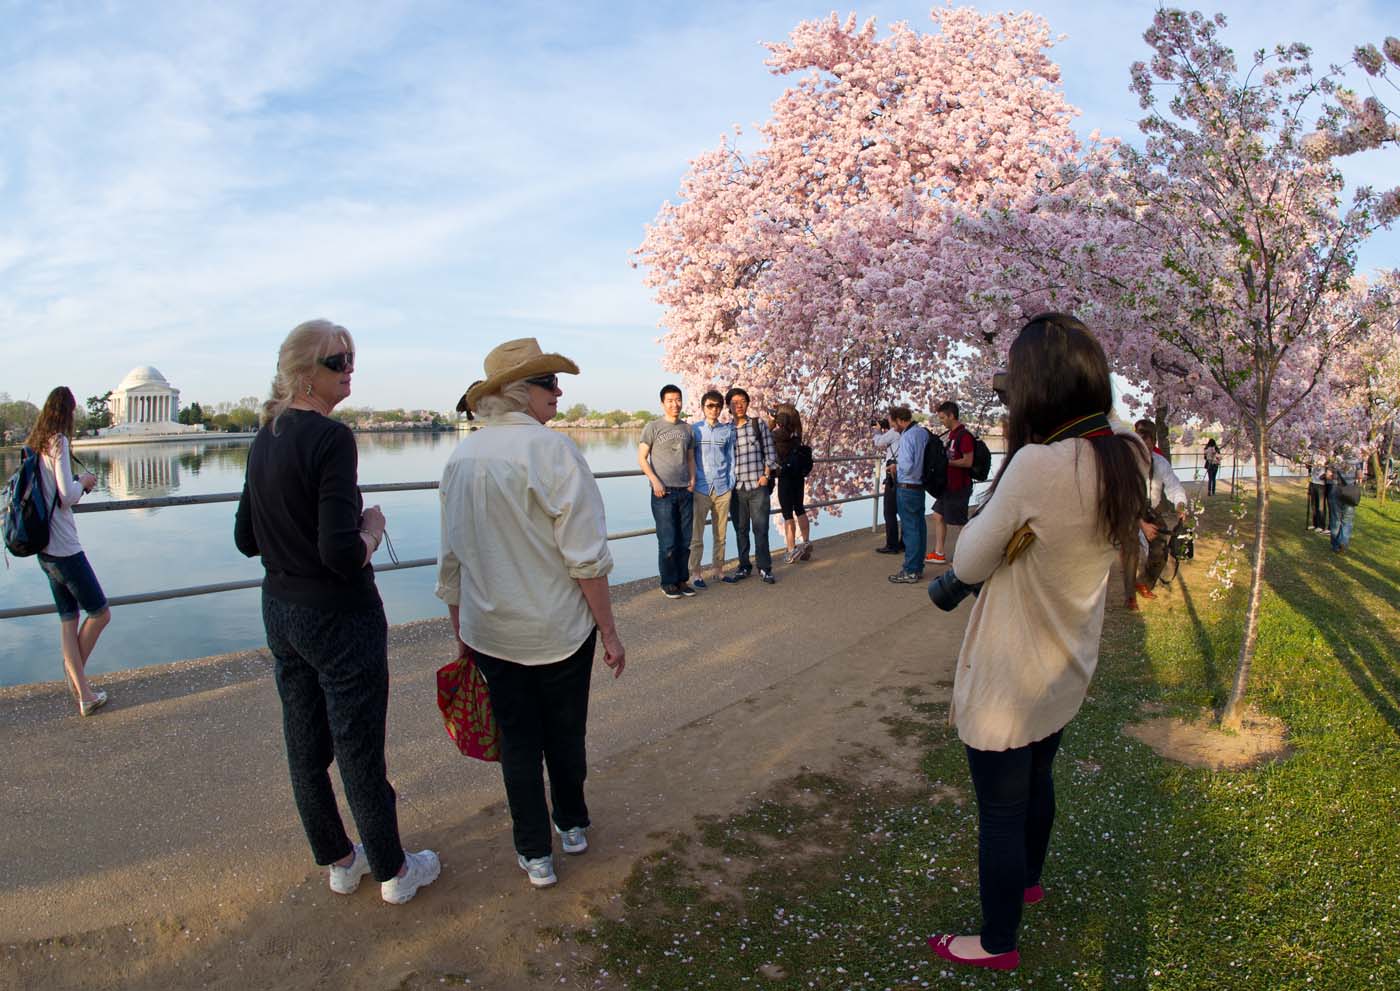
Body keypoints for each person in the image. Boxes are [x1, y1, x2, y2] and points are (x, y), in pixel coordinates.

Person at [928, 313, 1146, 972]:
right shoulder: (1122, 454)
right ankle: (1028, 880)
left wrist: (1019, 451)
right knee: (1039, 775)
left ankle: (997, 940)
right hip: (1065, 663)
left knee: (1000, 806)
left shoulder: (1040, 466)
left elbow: (967, 561)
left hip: (1010, 674)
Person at [235, 319, 439, 905]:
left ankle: (339, 860)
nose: (349, 368)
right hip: (340, 617)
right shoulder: (331, 439)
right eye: (336, 361)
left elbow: (247, 538)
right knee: (357, 748)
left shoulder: (265, 437)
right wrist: (371, 531)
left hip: (282, 610)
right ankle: (395, 871)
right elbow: (340, 553)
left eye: (351, 358)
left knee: (305, 747)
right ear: (303, 375)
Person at [437, 338, 625, 889]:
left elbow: (452, 559)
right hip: (558, 628)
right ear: (520, 394)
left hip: (490, 629)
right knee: (565, 733)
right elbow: (586, 557)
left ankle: (533, 851)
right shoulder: (552, 451)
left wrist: (460, 631)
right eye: (549, 383)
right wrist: (610, 632)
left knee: (517, 743)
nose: (559, 391)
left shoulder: (460, 458)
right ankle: (570, 823)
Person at [26, 387, 111, 717]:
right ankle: (80, 686)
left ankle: (81, 687)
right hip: (64, 548)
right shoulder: (58, 440)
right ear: (68, 412)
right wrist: (85, 482)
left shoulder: (36, 444)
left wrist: (74, 481)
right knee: (101, 613)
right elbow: (66, 496)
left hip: (45, 549)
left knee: (68, 619)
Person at [1121, 419, 1187, 610]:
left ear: (1154, 442)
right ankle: (1129, 596)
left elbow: (1174, 486)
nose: (1146, 446)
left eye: (1149, 441)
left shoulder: (1161, 463)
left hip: (1150, 510)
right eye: (1141, 440)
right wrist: (1141, 525)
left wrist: (1180, 505)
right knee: (1132, 550)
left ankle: (1144, 583)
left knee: (1160, 550)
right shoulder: (1128, 464)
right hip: (1130, 511)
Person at [638, 384, 696, 599]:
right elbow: (642, 458)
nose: (675, 404)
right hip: (663, 493)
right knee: (668, 541)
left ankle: (682, 580)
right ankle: (668, 582)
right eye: (670, 400)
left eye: (678, 399)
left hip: (685, 492)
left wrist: (692, 480)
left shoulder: (687, 429)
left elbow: (690, 458)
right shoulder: (652, 427)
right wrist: (655, 482)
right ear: (662, 403)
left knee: (685, 540)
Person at [722, 387, 779, 585]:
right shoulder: (726, 430)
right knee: (741, 529)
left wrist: (766, 475)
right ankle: (744, 566)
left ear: (747, 403)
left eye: (742, 401)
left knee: (761, 528)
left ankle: (764, 567)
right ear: (728, 406)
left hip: (757, 485)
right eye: (734, 402)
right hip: (736, 488)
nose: (738, 405)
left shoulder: (758, 424)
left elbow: (771, 453)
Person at [689, 390, 735, 588]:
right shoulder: (694, 430)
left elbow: (731, 458)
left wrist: (730, 483)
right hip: (701, 487)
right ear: (702, 407)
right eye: (710, 405)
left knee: (721, 534)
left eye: (717, 406)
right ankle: (696, 573)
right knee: (696, 534)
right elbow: (688, 458)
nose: (714, 409)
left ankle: (718, 570)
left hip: (723, 488)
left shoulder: (727, 431)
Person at [927, 400, 974, 565]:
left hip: (959, 486)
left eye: (942, 418)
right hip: (948, 485)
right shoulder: (952, 435)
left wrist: (946, 463)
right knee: (937, 515)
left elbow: (968, 461)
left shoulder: (964, 436)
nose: (941, 421)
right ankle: (939, 552)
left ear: (951, 415)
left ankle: (967, 556)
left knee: (960, 522)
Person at [887, 405, 930, 584]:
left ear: (899, 420)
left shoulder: (907, 436)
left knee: (910, 529)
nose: (893, 427)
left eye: (893, 423)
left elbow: (907, 465)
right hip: (920, 486)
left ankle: (910, 570)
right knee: (920, 527)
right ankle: (917, 566)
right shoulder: (922, 433)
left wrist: (895, 467)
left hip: (907, 485)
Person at [770, 402, 812, 564]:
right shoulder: (796, 432)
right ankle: (806, 541)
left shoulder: (778, 435)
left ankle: (791, 549)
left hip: (785, 477)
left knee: (787, 513)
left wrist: (771, 423)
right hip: (798, 476)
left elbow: (762, 439)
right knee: (799, 508)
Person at [873, 417, 903, 554]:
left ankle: (892, 545)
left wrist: (878, 431)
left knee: (889, 510)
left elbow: (878, 443)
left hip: (893, 474)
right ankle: (904, 542)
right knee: (903, 510)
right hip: (904, 474)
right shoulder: (906, 432)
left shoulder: (893, 432)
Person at [1328, 466, 1358, 553]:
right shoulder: (1357, 459)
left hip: (1337, 490)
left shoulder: (1334, 459)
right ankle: (1343, 542)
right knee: (1347, 520)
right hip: (1350, 492)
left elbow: (1328, 475)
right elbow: (1360, 475)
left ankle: (1335, 545)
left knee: (1336, 519)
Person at [1306, 463, 1328, 530]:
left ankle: (1321, 526)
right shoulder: (1314, 455)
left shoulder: (1327, 457)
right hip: (1313, 482)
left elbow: (1329, 468)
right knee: (1313, 505)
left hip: (1321, 484)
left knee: (1320, 506)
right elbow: (1310, 466)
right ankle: (1315, 524)